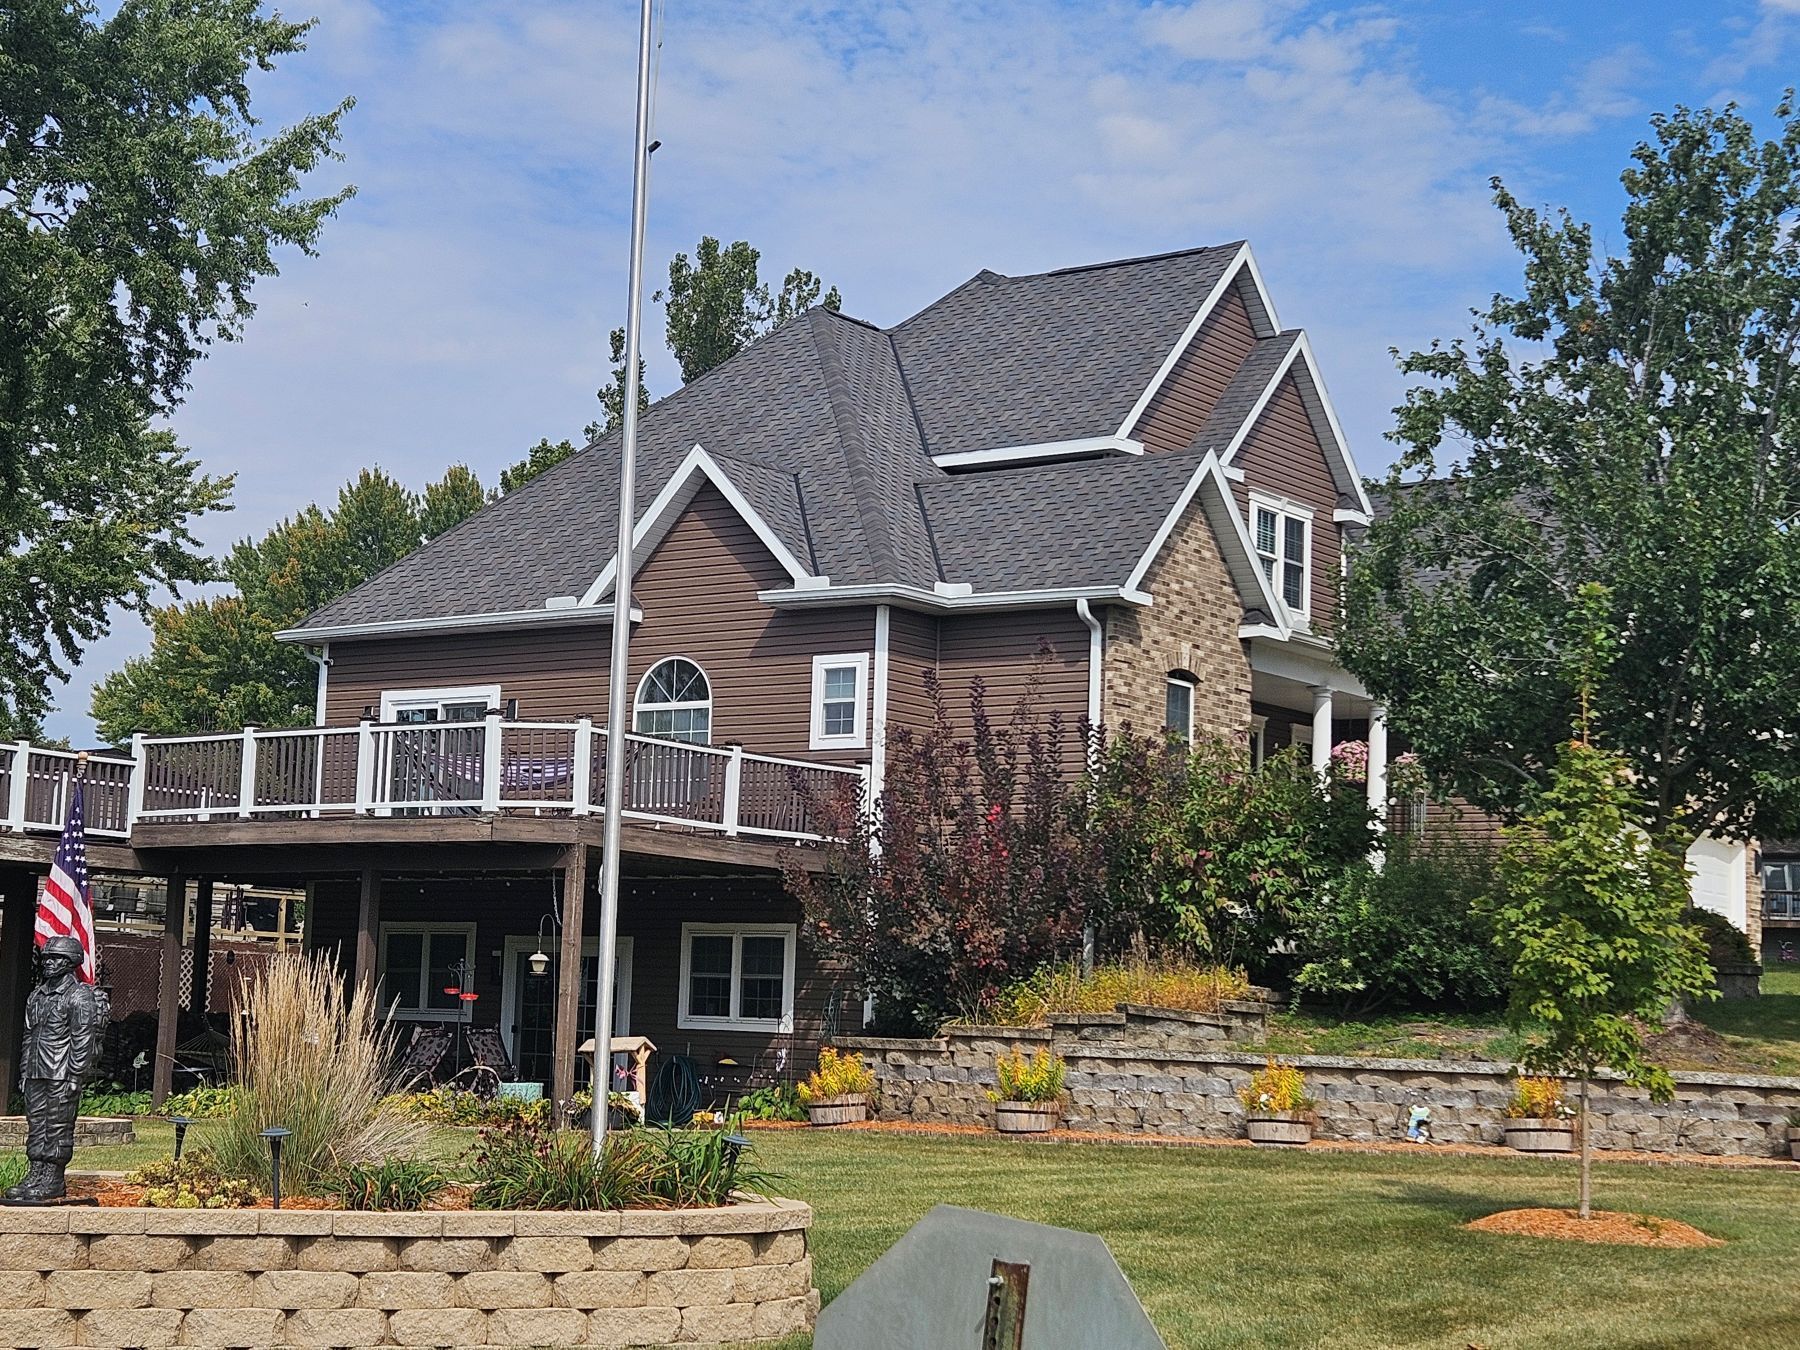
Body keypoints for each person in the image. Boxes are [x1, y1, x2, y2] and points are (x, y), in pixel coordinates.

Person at [4, 935, 105, 1203]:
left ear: (70, 962)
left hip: (61, 1071)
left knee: (58, 1124)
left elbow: (82, 1038)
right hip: (36, 1070)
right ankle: (36, 1173)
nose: (48, 963)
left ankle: (53, 1178)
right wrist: (25, 1071)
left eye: (55, 958)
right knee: (37, 1124)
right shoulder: (37, 995)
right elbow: (29, 1036)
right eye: (46, 958)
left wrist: (75, 1075)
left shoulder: (79, 995)